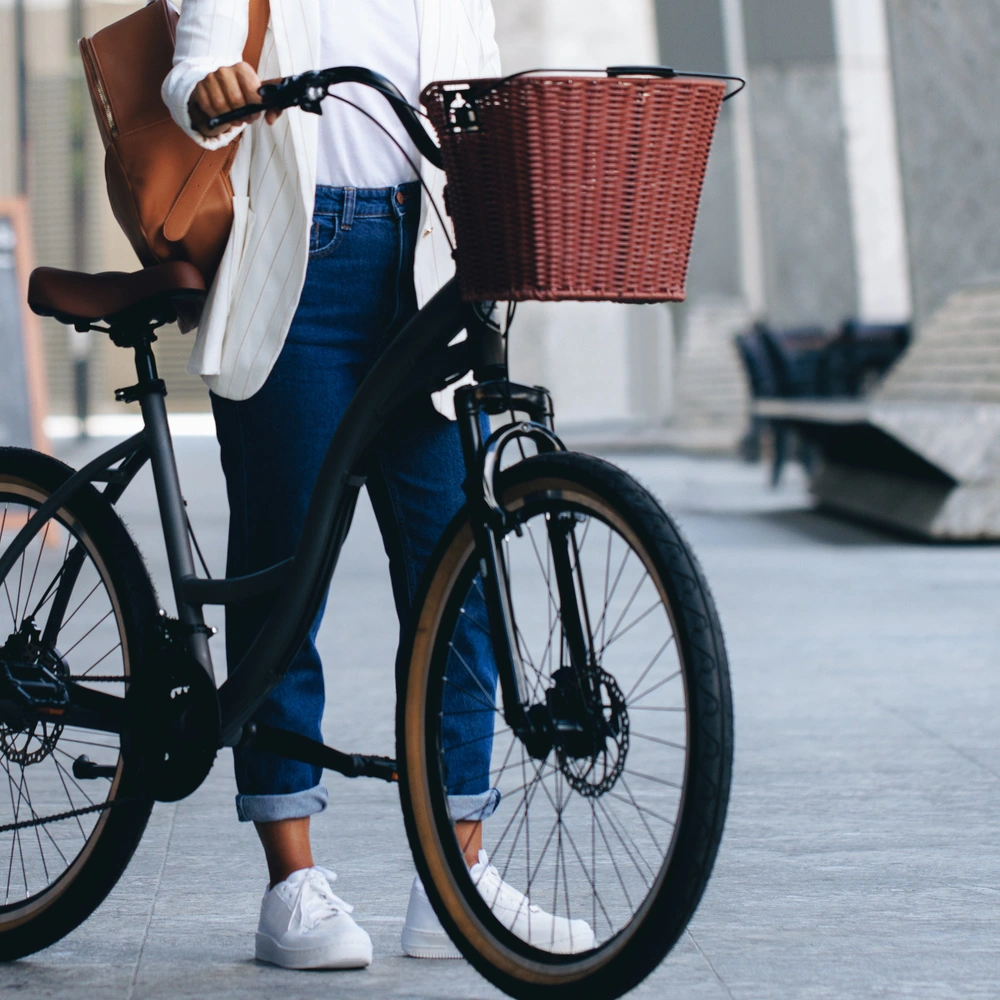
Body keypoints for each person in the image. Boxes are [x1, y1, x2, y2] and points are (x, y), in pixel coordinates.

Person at [163, 0, 593, 972]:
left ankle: (455, 874)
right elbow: (190, 71)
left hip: (427, 262)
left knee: (460, 571)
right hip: (297, 262)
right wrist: (214, 87)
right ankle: (289, 882)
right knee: (284, 577)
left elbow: (475, 98)